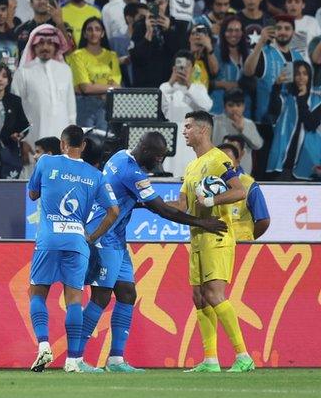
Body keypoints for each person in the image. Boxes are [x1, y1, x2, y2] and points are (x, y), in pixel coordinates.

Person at [77, 132, 226, 372]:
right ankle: (76, 359)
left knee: (127, 293)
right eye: (157, 157)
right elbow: (163, 211)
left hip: (116, 238)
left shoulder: (118, 157)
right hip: (102, 237)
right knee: (100, 297)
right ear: (144, 149)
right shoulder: (134, 173)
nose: (158, 163)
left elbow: (130, 198)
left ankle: (115, 360)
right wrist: (202, 223)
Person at [26, 124, 119, 373]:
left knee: (37, 294)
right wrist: (93, 235)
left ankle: (44, 344)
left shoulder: (46, 162)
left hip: (48, 239)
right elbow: (114, 211)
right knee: (74, 300)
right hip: (78, 241)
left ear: (62, 143)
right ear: (84, 146)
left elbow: (32, 194)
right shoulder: (96, 175)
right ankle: (73, 360)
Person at [178, 110, 255, 373]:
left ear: (202, 130)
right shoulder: (190, 167)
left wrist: (210, 201)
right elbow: (181, 204)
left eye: (188, 126)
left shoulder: (218, 160)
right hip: (197, 237)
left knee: (214, 294)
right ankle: (210, 360)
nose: (184, 131)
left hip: (217, 236)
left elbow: (239, 190)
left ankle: (243, 356)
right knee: (199, 297)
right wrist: (146, 202)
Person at [13, 24, 75, 143]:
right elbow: (16, 110)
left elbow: (71, 109)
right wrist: (22, 141)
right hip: (32, 138)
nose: (45, 47)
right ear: (33, 46)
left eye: (50, 43)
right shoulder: (23, 73)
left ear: (56, 46)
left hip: (62, 137)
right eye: (40, 43)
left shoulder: (65, 70)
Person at [265, 60, 321, 180]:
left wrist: (302, 99)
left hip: (307, 161)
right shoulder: (285, 97)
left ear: (309, 76)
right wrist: (277, 86)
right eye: (297, 74)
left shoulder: (317, 100)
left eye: (305, 73)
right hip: (284, 160)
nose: (301, 77)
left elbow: (310, 124)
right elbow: (273, 110)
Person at [244, 15, 305, 123]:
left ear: (293, 32)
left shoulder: (298, 57)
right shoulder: (264, 52)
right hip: (265, 121)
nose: (283, 32)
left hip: (289, 122)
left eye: (287, 28)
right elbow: (248, 72)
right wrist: (261, 42)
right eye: (279, 28)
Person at [67, 17, 119, 131]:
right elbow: (85, 88)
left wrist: (94, 87)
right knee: (86, 142)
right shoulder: (77, 56)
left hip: (106, 105)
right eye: (89, 29)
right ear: (84, 34)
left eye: (97, 29)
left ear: (102, 33)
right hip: (84, 106)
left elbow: (117, 86)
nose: (93, 32)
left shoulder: (112, 56)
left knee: (105, 143)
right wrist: (107, 88)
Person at [217, 143, 270, 241]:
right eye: (219, 161)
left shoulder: (248, 185)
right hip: (216, 246)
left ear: (237, 162)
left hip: (241, 248)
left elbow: (263, 221)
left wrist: (247, 239)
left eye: (227, 162)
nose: (223, 165)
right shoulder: (208, 184)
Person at [212, 89, 263, 173]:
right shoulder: (215, 121)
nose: (235, 109)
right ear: (225, 106)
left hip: (243, 172)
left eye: (238, 105)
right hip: (218, 169)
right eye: (231, 105)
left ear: (243, 107)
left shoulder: (248, 123)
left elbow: (258, 145)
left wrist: (243, 130)